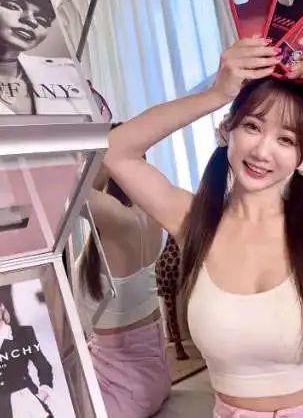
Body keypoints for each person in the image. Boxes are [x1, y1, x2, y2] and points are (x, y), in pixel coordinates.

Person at [103, 38, 303, 417]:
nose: (262, 151)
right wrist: (216, 94)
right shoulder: (192, 221)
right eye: (252, 126)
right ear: (227, 132)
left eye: (286, 139)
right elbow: (115, 151)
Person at [76, 130, 171, 418]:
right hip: (152, 378)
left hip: (120, 389)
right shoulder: (153, 211)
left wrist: (101, 163)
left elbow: (64, 185)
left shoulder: (119, 219)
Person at [0, 285, 54, 418]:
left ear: (2, 306)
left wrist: (40, 395)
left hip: (30, 404)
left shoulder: (24, 333)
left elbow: (44, 366)